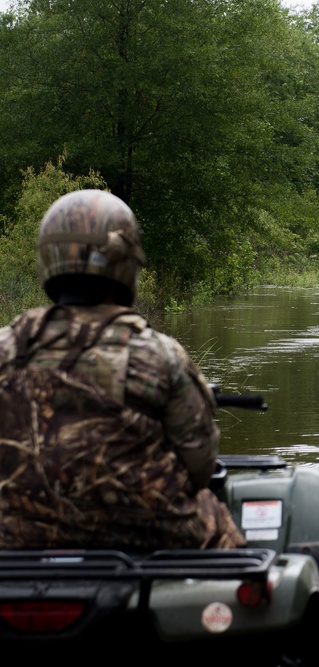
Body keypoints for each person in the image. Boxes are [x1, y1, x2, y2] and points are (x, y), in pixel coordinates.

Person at [0, 189, 246, 551]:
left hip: (14, 536)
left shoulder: (7, 348)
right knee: (219, 521)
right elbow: (199, 466)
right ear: (126, 263)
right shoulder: (159, 354)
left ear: (48, 257)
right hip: (142, 535)